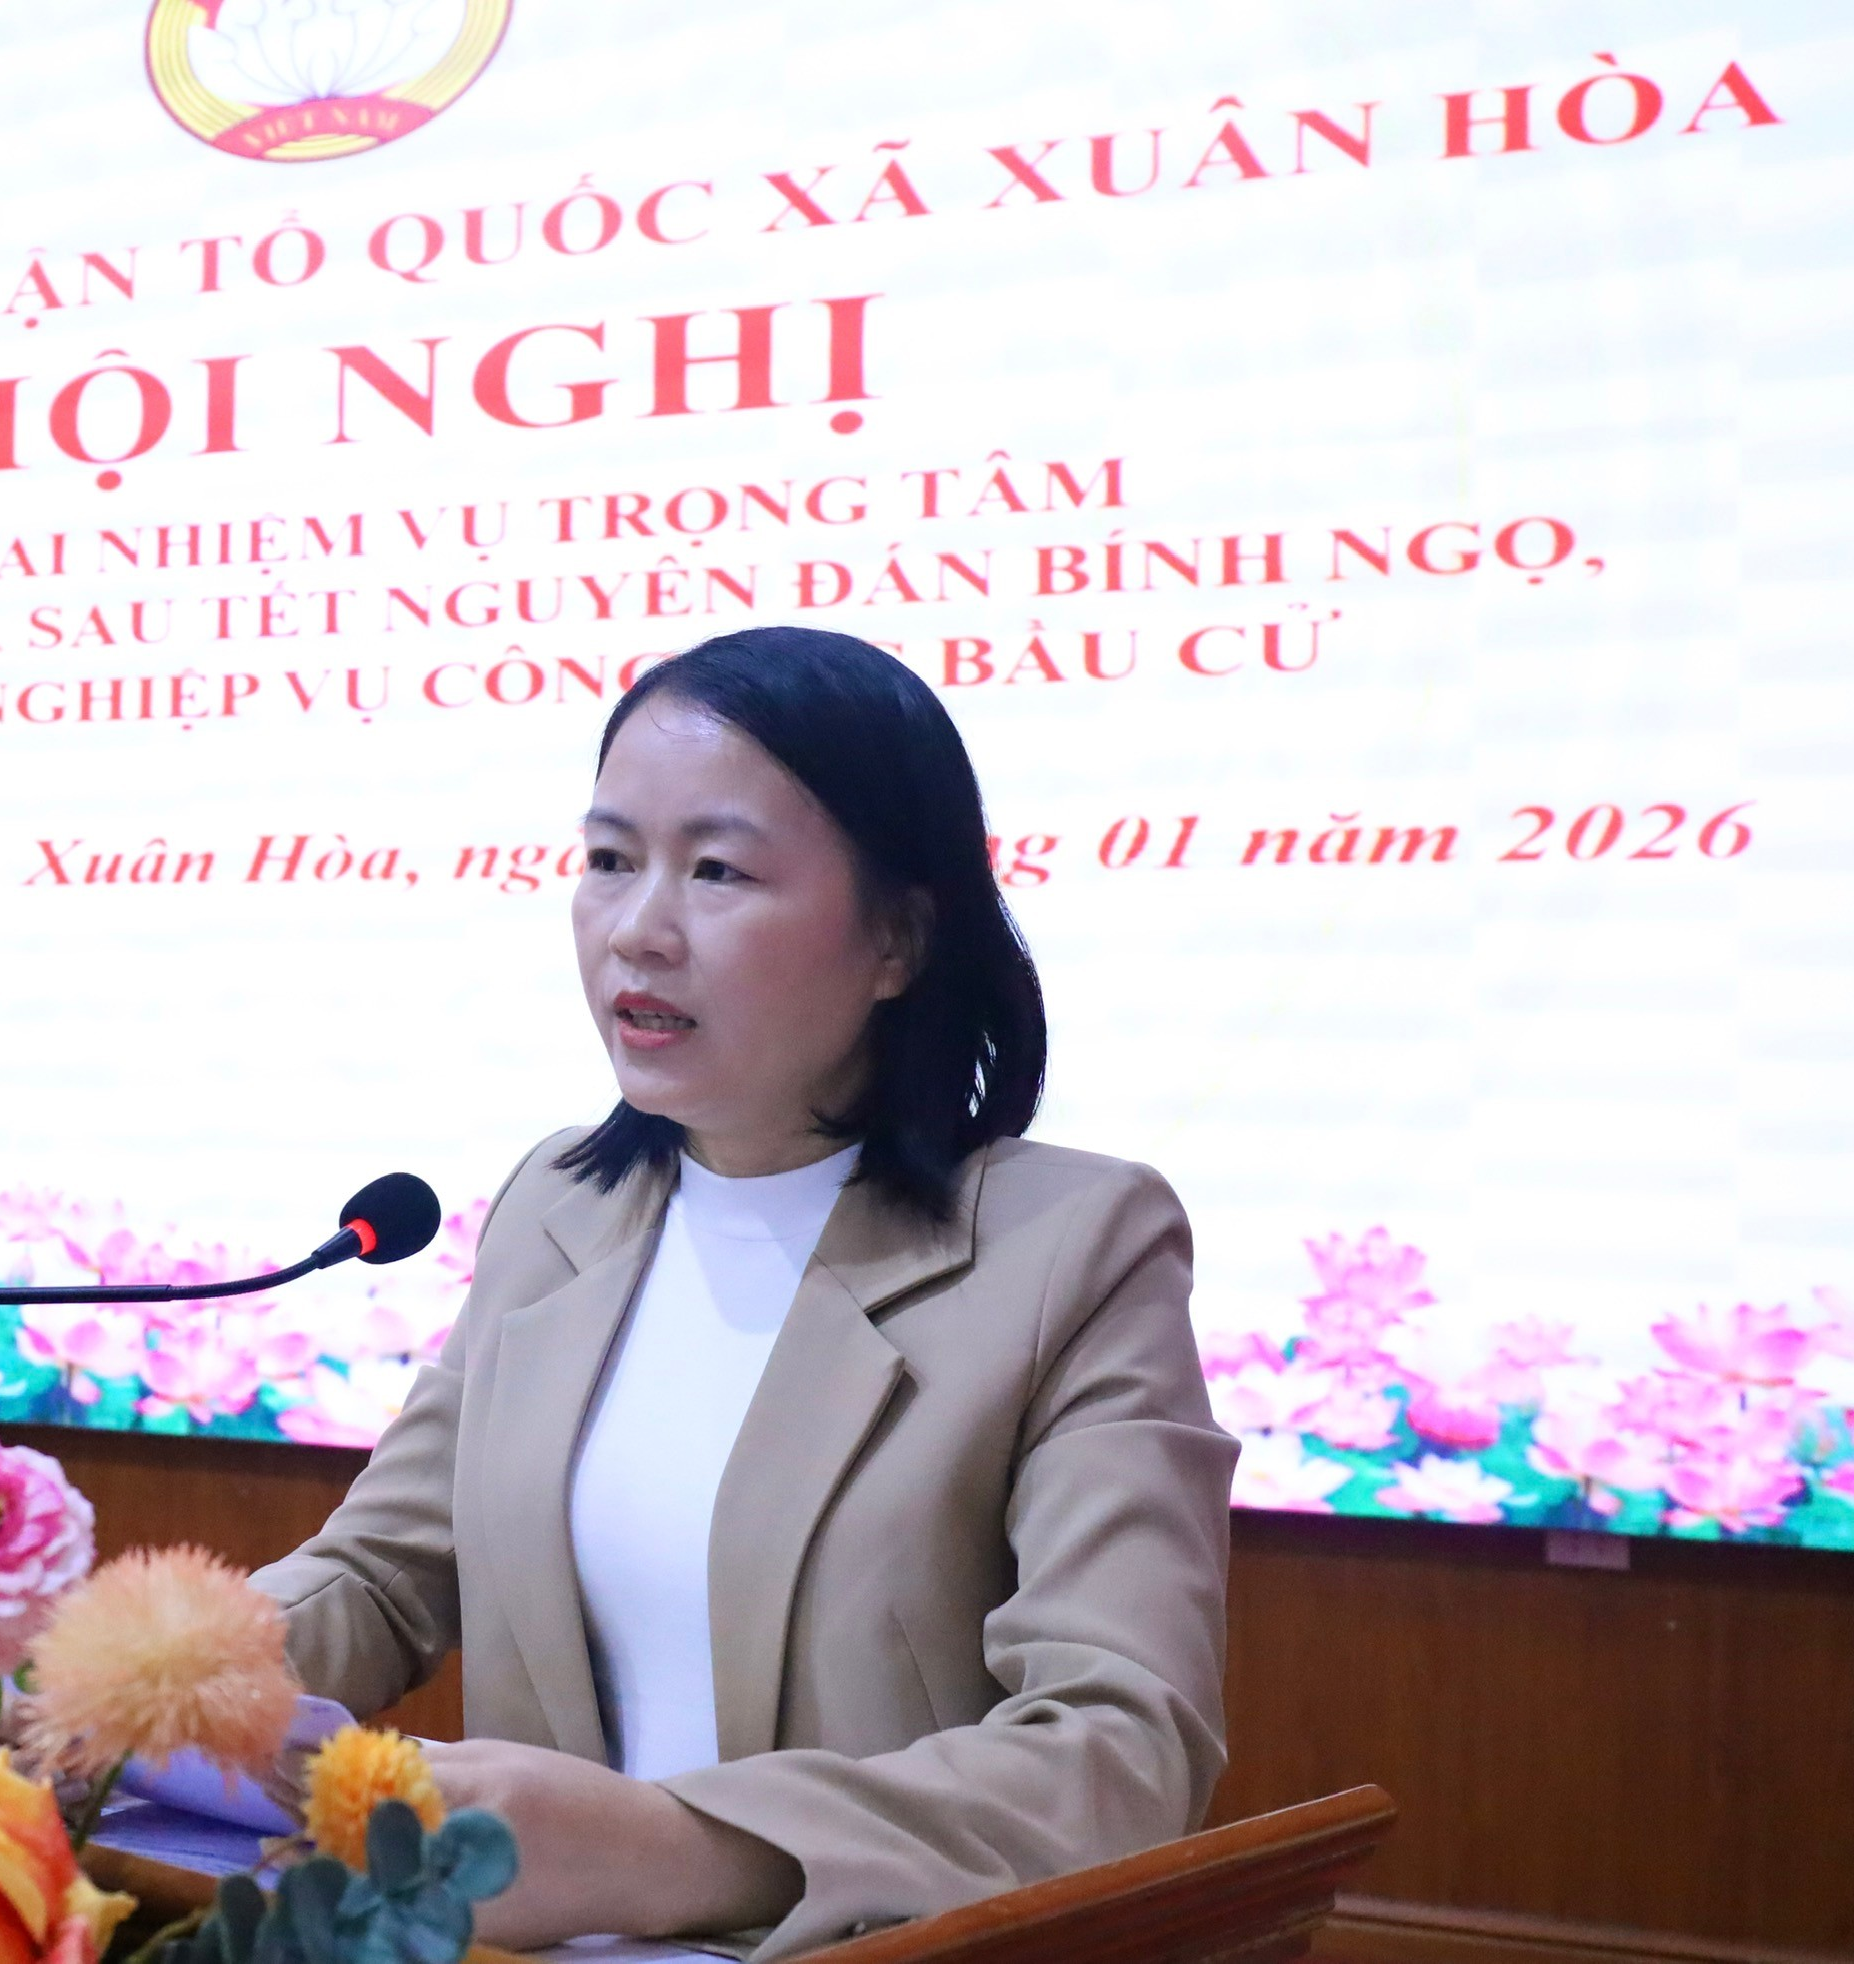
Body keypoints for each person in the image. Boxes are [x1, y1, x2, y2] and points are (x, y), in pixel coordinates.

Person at [252, 626, 1236, 1958]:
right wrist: (151, 1679)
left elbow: (1121, 1754)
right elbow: (384, 1573)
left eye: (716, 871)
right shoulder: (560, 1207)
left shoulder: (1074, 1247)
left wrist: (670, 1848)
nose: (637, 930)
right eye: (610, 860)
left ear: (897, 938)